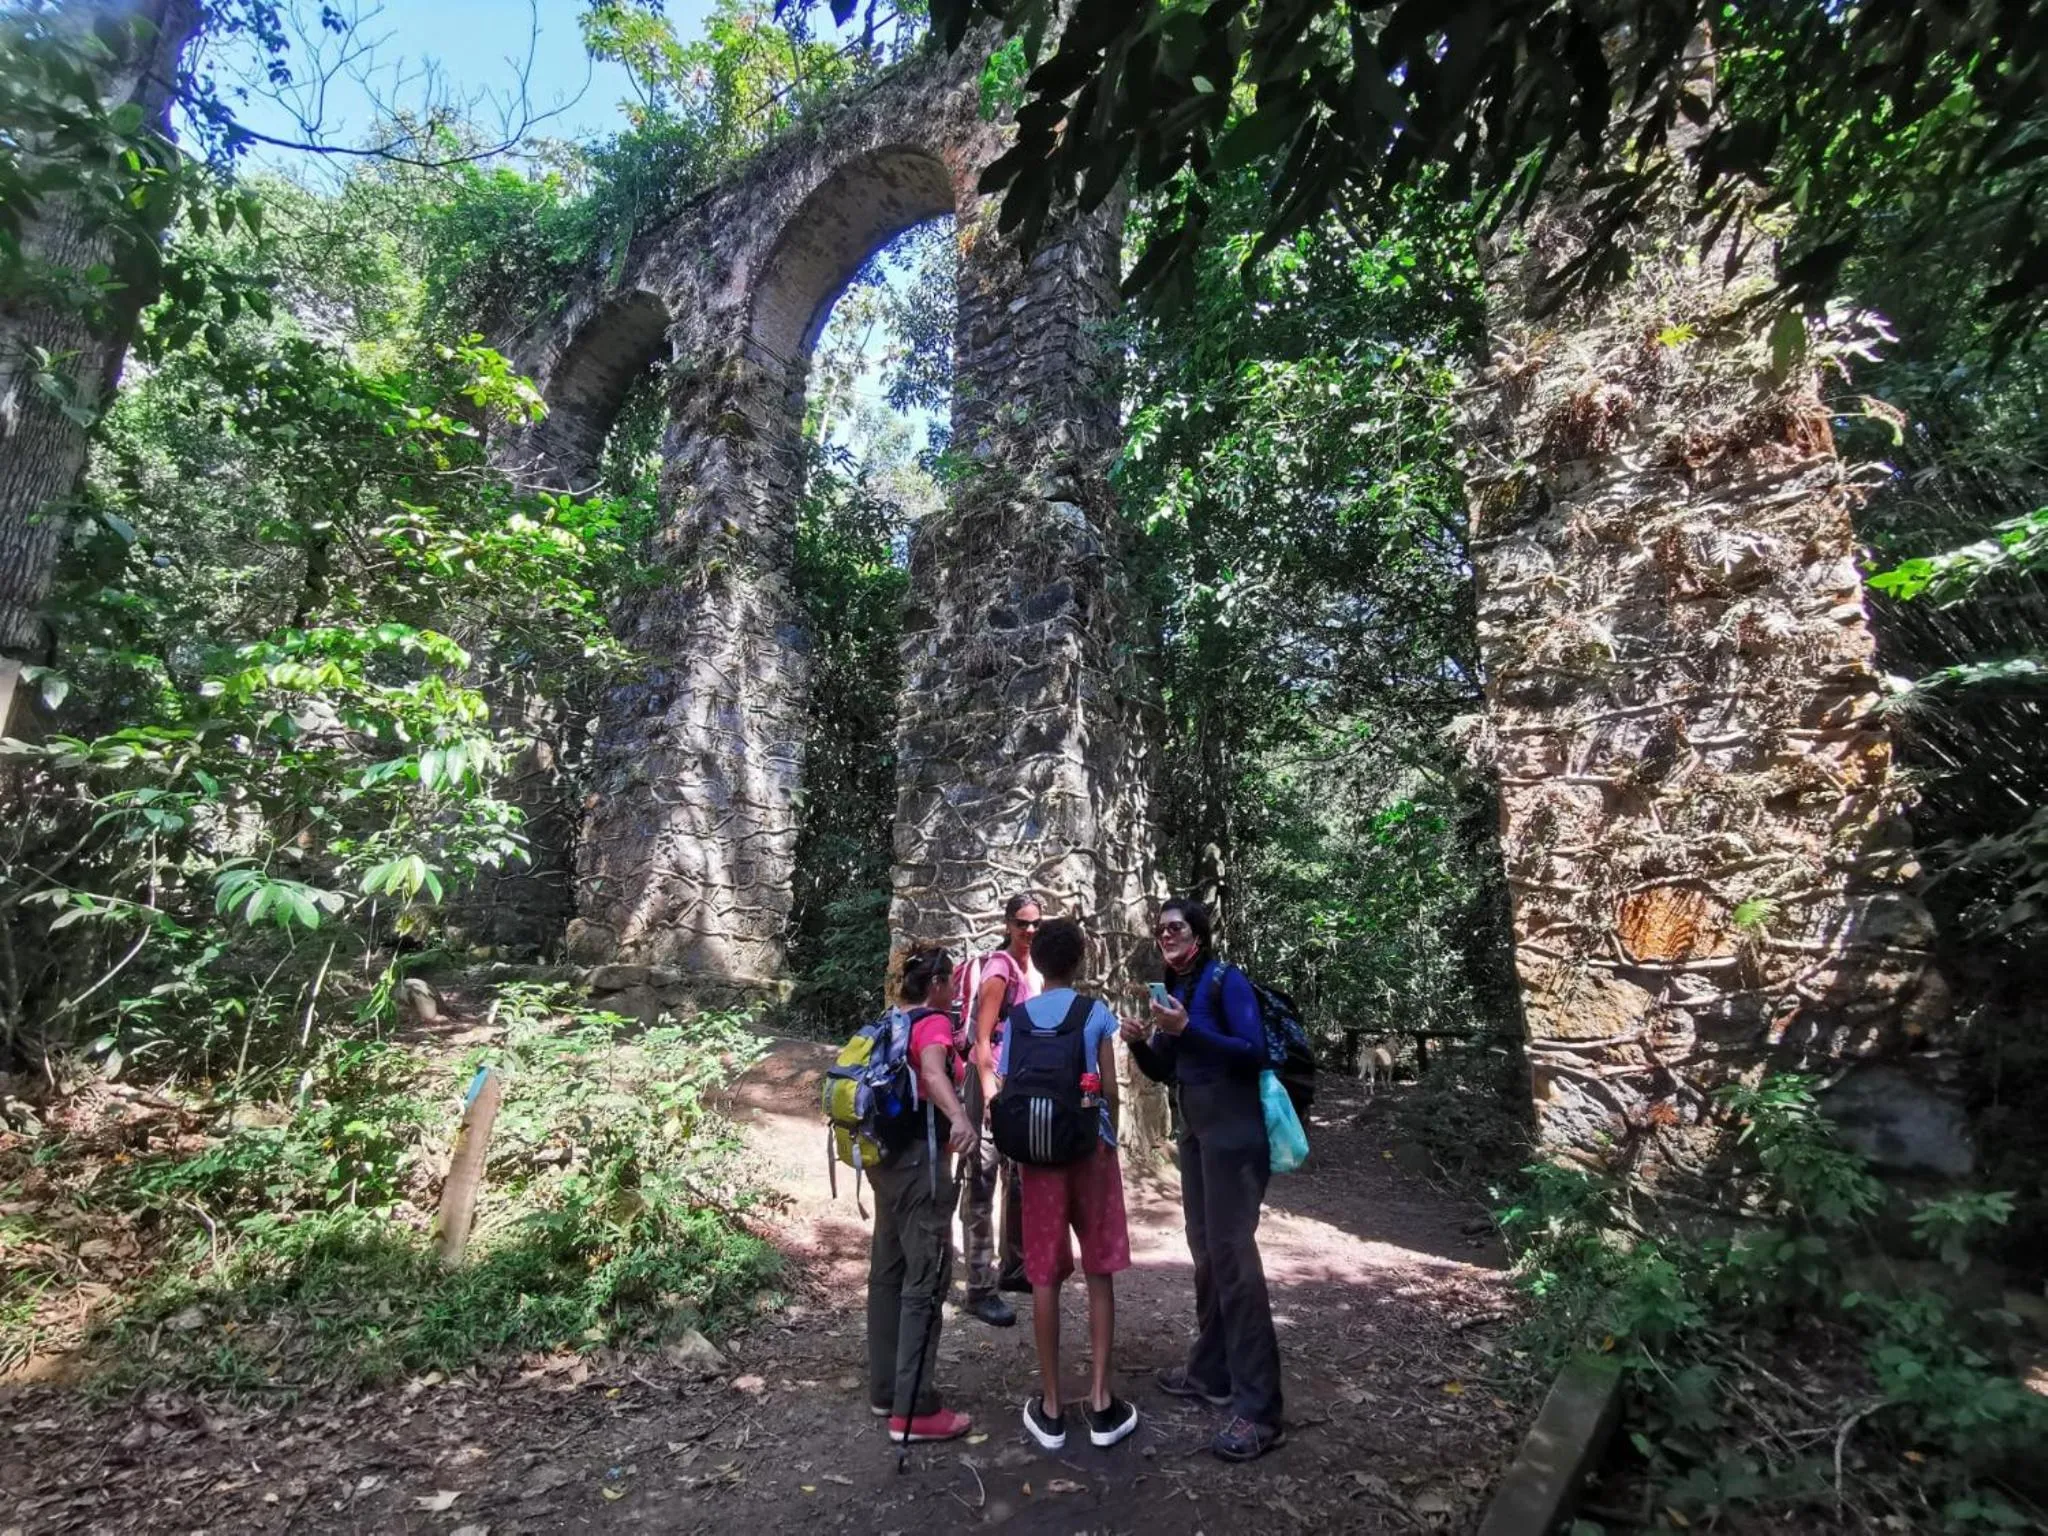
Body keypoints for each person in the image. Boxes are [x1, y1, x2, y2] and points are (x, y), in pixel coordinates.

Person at [1121, 898, 1284, 1461]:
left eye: (1176, 927)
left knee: (1234, 1260)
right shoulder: (1176, 991)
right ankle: (1211, 1373)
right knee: (1207, 1255)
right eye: (1160, 928)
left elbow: (1253, 1052)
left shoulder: (1225, 982)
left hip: (1235, 1136)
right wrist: (1143, 1040)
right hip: (1196, 1134)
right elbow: (1168, 1068)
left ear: (1198, 934)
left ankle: (1260, 1411)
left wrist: (1190, 1028)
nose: (1165, 935)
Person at [1000, 917, 1139, 1451]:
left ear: (1035, 963)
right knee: (1099, 1271)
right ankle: (1102, 1404)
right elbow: (1106, 1088)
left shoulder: (1017, 1017)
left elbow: (1011, 1084)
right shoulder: (1095, 1014)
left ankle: (1052, 1409)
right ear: (1079, 962)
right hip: (1090, 1155)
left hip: (1038, 1161)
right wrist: (1111, 1140)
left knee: (1043, 1277)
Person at [867, 946, 979, 1444]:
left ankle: (886, 1391)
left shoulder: (892, 1020)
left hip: (884, 1162)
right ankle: (913, 1412)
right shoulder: (932, 1023)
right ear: (934, 982)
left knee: (887, 1274)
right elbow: (932, 1073)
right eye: (950, 981)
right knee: (926, 1280)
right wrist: (959, 1118)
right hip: (921, 1165)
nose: (954, 990)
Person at [958, 892, 1041, 1327]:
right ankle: (978, 1286)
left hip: (1020, 1084)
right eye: (1022, 923)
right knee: (982, 1178)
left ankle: (1015, 1268)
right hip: (989, 1083)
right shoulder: (999, 969)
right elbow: (982, 1039)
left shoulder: (1034, 971)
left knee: (1020, 1178)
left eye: (1035, 925)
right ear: (1008, 924)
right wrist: (990, 1094)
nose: (1029, 931)